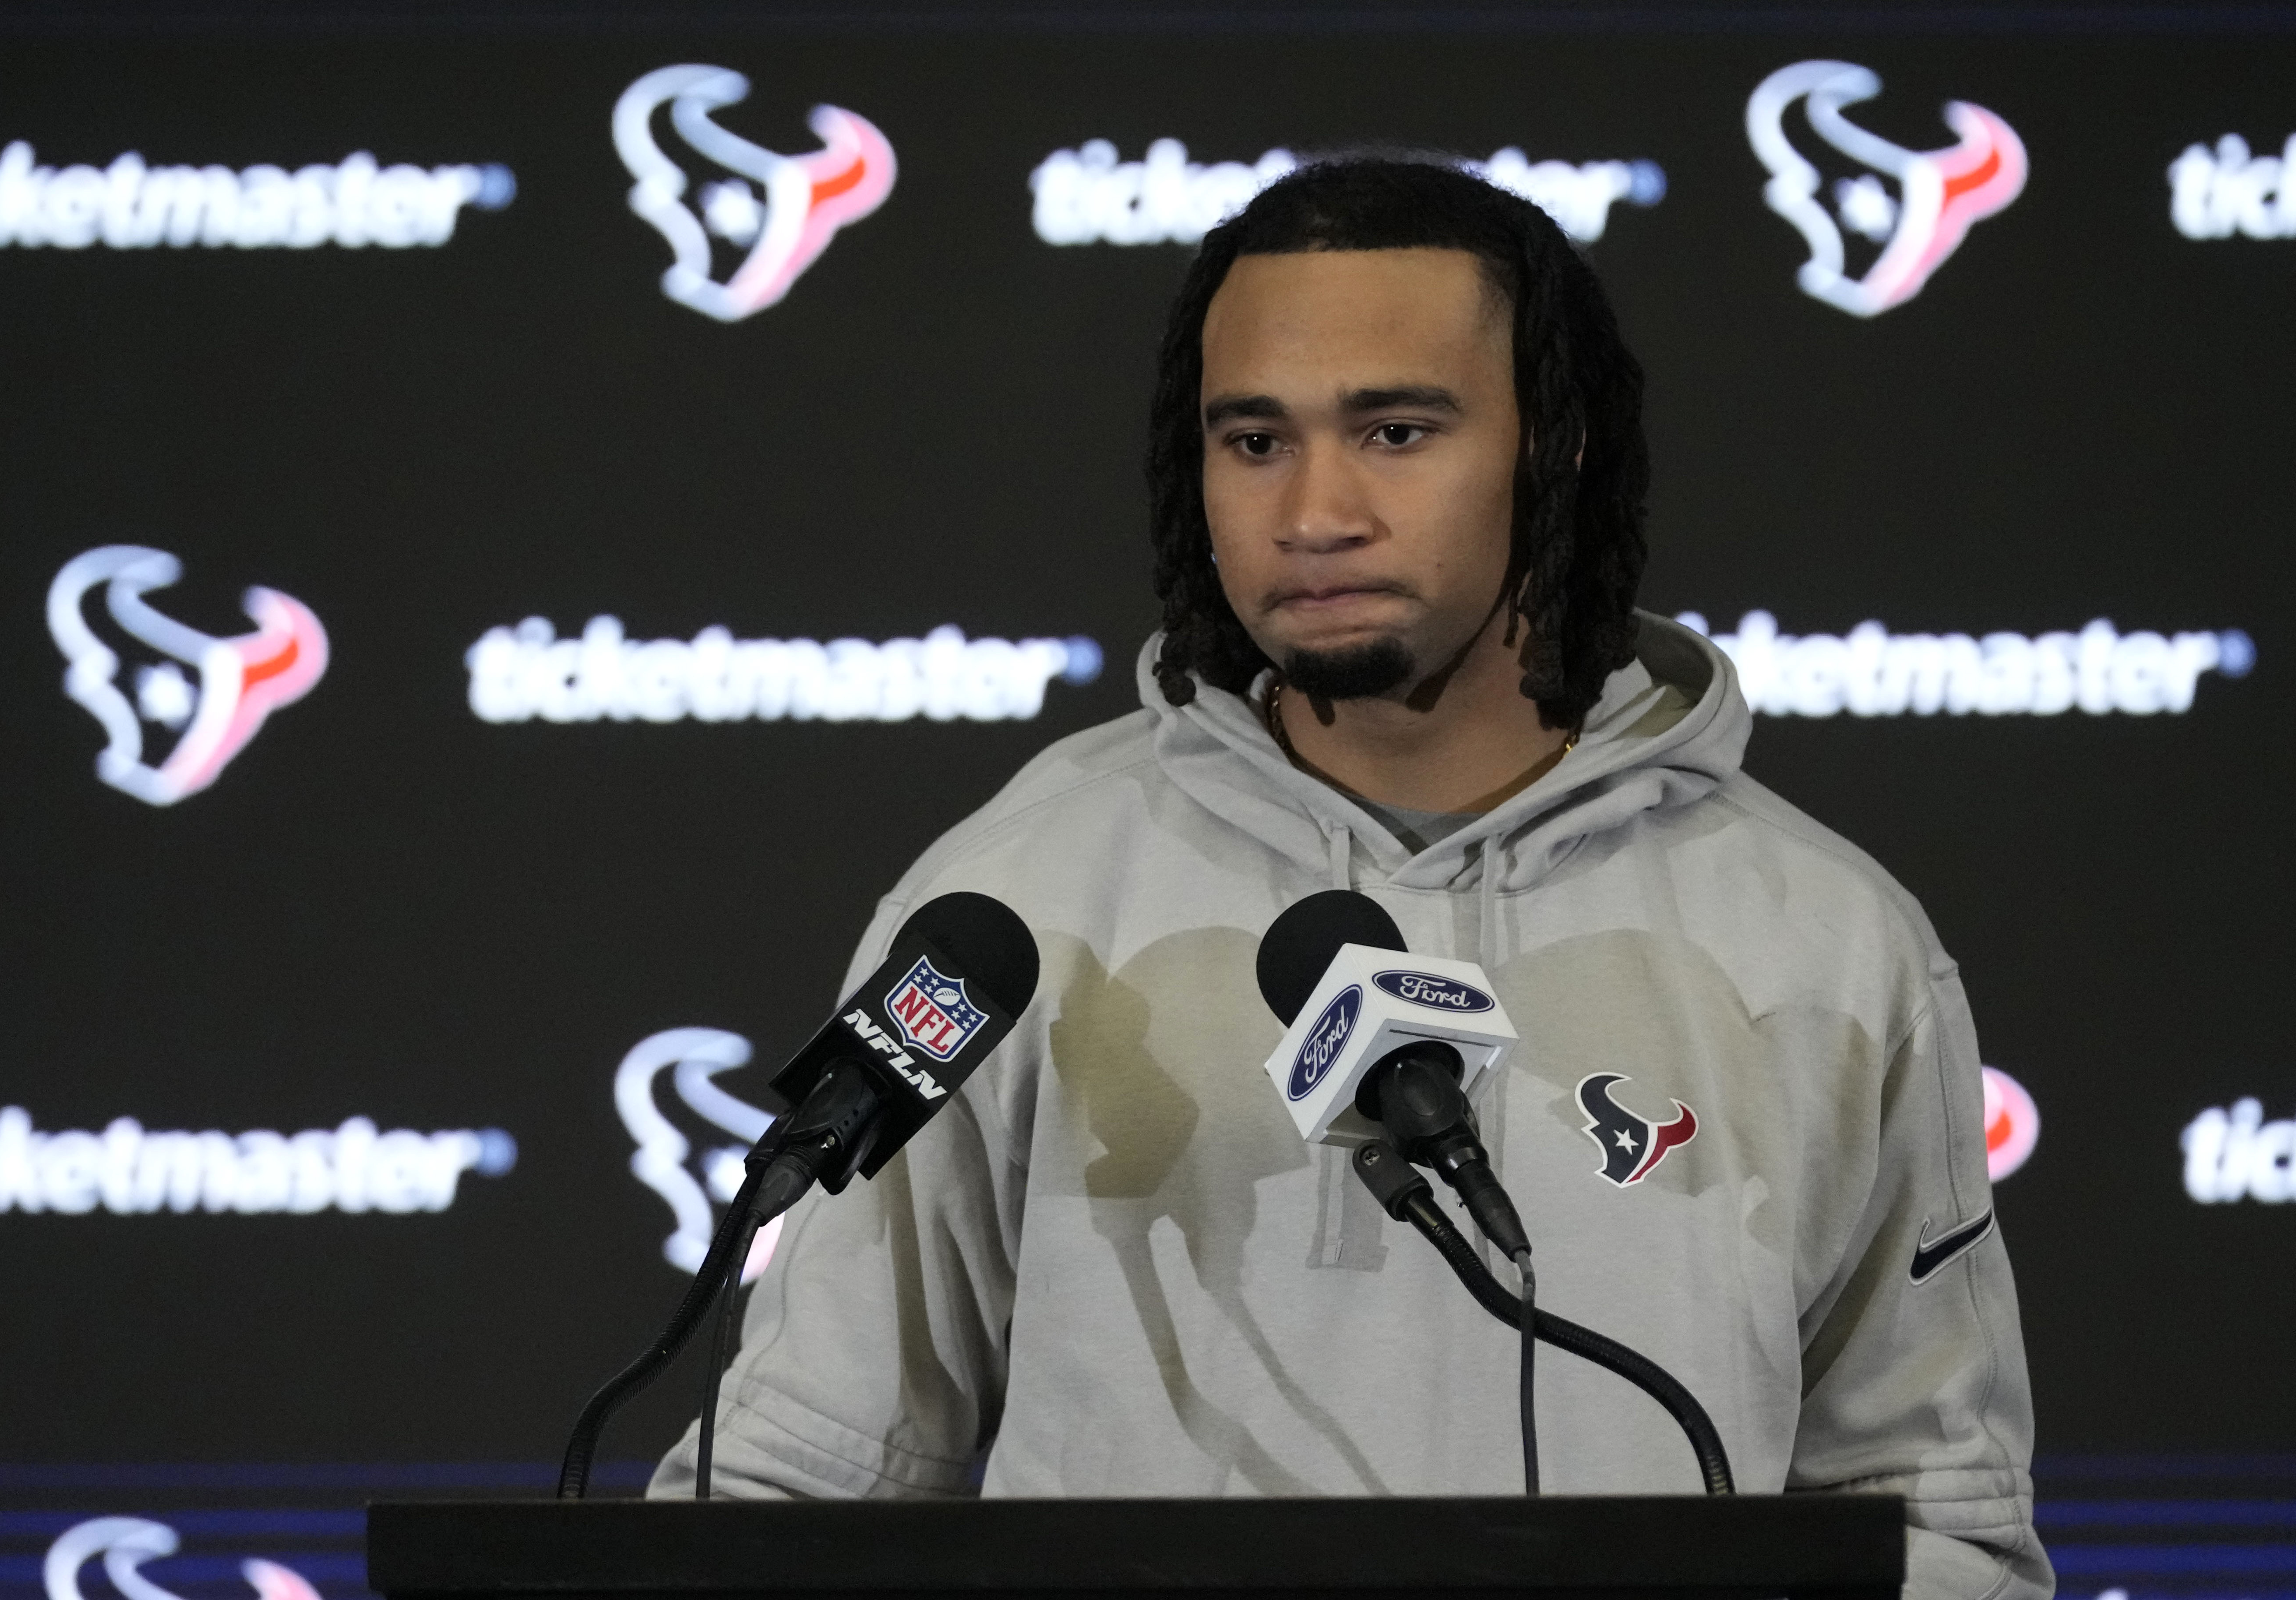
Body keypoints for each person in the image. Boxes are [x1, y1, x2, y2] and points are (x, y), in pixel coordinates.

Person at [654, 157, 2050, 1600]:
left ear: (1558, 447)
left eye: (1395, 431)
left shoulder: (1826, 939)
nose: (1316, 511)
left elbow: (1935, 1532)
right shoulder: (1019, 900)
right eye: (1257, 440)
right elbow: (803, 1485)